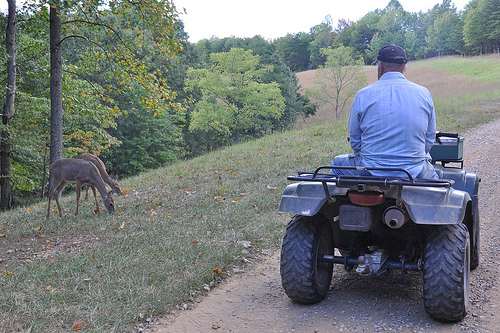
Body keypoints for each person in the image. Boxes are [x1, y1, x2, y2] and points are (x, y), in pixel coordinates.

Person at [331, 44, 438, 179]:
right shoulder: (424, 93)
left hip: (369, 170)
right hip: (414, 171)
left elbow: (355, 142)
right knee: (439, 190)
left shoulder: (363, 95)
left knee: (337, 164)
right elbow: (429, 140)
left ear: (380, 67)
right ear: (405, 67)